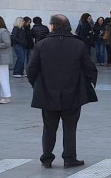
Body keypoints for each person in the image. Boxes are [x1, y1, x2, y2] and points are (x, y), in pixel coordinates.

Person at [28, 14, 96, 169]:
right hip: (72, 92)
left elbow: (31, 69)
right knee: (70, 127)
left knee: (49, 127)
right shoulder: (78, 44)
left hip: (47, 92)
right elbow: (89, 67)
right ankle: (69, 158)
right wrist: (87, 83)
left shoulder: (42, 44)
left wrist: (37, 85)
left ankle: (47, 158)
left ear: (52, 26)